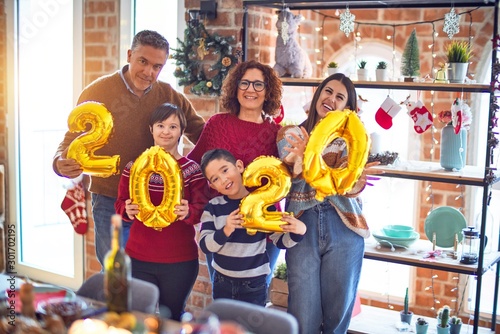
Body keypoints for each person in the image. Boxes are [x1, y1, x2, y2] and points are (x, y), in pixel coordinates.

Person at [52, 30, 205, 268]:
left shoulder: (169, 95)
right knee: (117, 272)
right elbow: (71, 138)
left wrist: (212, 168)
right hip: (110, 200)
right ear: (130, 55)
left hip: (159, 201)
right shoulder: (98, 91)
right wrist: (59, 161)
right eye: (143, 62)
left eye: (157, 66)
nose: (148, 72)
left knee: (153, 272)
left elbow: (201, 134)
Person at [276, 73, 382, 334]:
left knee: (337, 317)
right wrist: (304, 158)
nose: (331, 99)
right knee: (303, 315)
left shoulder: (355, 140)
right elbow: (290, 170)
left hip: (345, 227)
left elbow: (350, 187)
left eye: (339, 97)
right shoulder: (290, 133)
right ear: (317, 95)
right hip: (302, 225)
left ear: (347, 107)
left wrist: (353, 175)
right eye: (327, 91)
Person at [187, 60, 283, 287]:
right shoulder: (217, 124)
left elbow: (288, 179)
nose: (251, 89)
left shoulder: (277, 134)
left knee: (255, 304)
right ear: (235, 88)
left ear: (268, 92)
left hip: (263, 231)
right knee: (223, 299)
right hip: (222, 226)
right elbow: (193, 167)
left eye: (259, 84)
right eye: (245, 83)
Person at [114, 103, 210, 321]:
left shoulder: (192, 170)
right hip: (137, 258)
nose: (166, 131)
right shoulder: (135, 167)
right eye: (161, 125)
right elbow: (120, 203)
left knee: (172, 319)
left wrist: (189, 212)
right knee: (137, 318)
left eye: (173, 126)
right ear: (151, 129)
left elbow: (202, 209)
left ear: (181, 131)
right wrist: (126, 210)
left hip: (179, 261)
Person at [198, 149, 306, 306]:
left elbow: (279, 241)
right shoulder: (213, 207)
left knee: (251, 328)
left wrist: (298, 232)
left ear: (239, 166)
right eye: (215, 179)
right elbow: (205, 245)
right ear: (212, 185)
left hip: (254, 285)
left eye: (225, 170)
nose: (223, 179)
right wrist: (226, 230)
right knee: (224, 328)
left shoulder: (262, 205)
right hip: (222, 282)